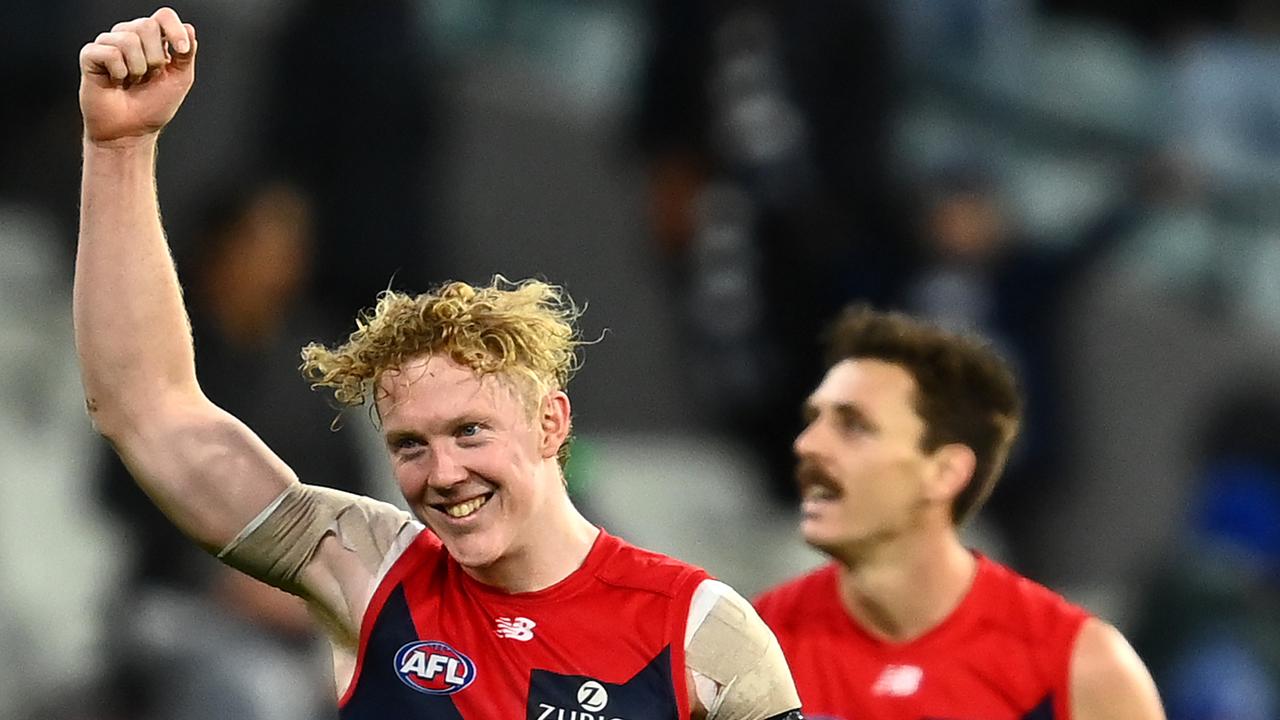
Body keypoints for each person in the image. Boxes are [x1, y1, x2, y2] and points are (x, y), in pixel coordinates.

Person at [74, 9, 802, 719]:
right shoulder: (367, 571)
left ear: (552, 423)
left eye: (470, 432)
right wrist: (119, 149)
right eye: (410, 445)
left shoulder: (702, 634)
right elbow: (146, 408)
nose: (442, 473)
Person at [752, 305, 1166, 720]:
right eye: (813, 420)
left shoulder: (1081, 669)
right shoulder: (753, 646)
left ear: (945, 472)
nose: (807, 444)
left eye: (853, 425)